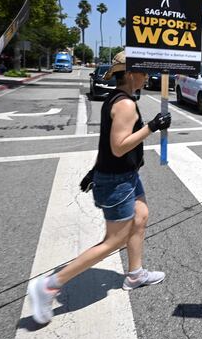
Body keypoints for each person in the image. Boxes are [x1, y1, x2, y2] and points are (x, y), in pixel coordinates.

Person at [27, 52, 172, 325]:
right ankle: (48, 286)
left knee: (140, 218)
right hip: (118, 180)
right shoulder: (125, 104)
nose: (147, 76)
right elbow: (118, 147)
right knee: (114, 241)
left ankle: (135, 274)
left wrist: (95, 169)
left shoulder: (116, 99)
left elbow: (107, 144)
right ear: (130, 74)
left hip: (125, 175)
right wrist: (153, 126)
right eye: (143, 71)